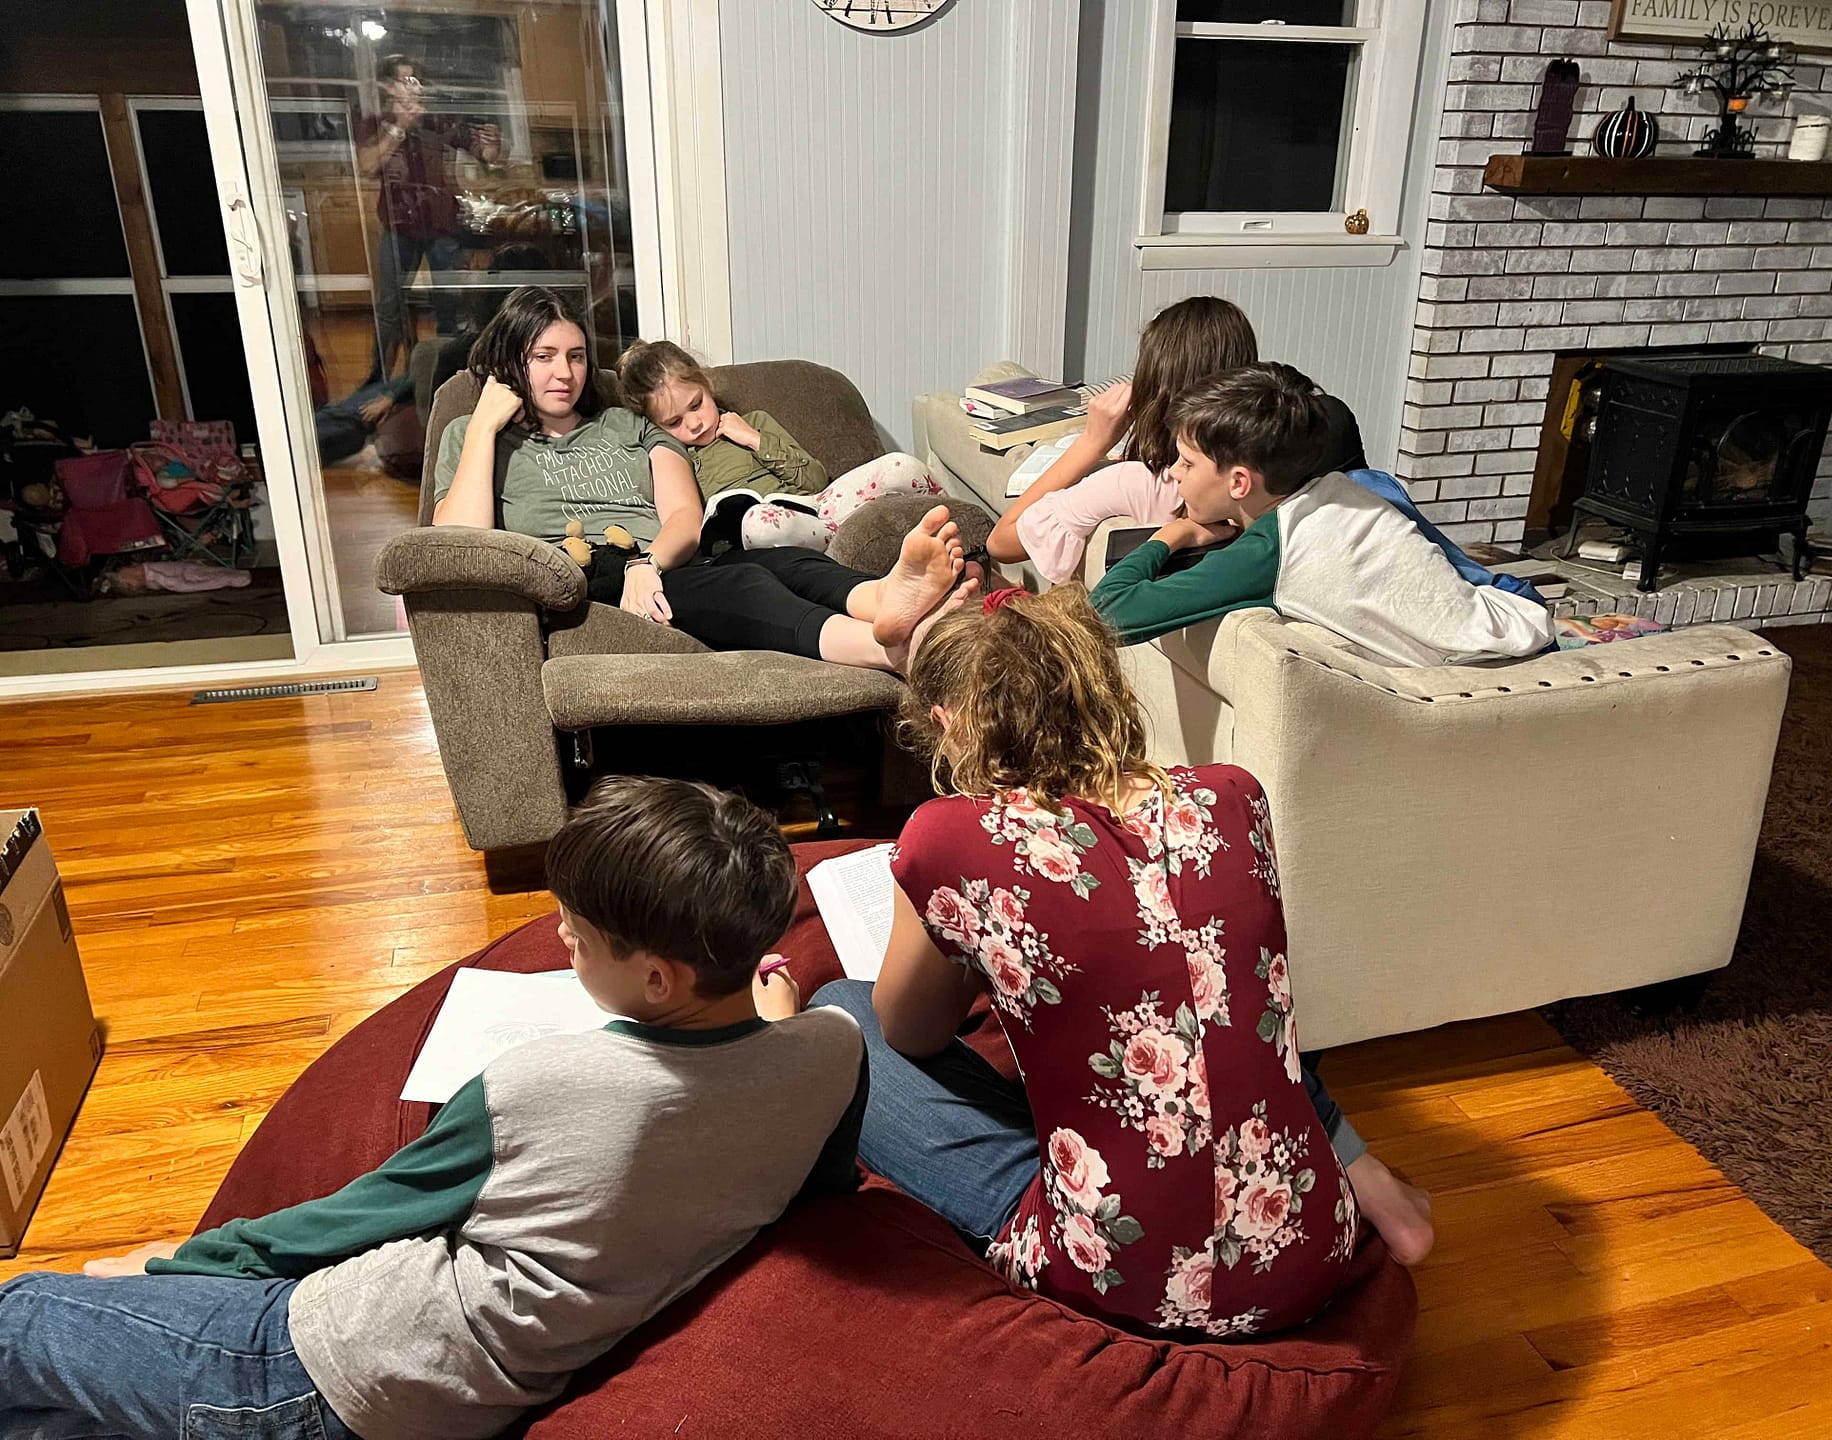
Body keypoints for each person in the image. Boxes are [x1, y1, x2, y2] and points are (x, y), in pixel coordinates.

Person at [0, 775, 868, 1440]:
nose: (558, 934)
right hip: (456, 1393)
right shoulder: (834, 1051)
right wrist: (774, 1025)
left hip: (324, 1371)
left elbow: (351, 1220)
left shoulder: (545, 1088)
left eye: (576, 928)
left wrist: (172, 1264)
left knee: (25, 1315)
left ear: (655, 977)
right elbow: (812, 1176)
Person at [755, 585, 1433, 1339]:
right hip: (1313, 1244)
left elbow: (910, 1033)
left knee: (844, 1014)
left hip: (1117, 1276)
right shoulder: (1233, 796)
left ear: (949, 723)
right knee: (1213, 999)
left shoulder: (949, 836)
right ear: (1103, 691)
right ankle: (1356, 1165)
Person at [433, 287, 974, 671]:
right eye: (543, 357)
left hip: (664, 561)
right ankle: (889, 651)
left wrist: (646, 563)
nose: (565, 373)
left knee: (787, 560)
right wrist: (484, 425)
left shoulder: (628, 424)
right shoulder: (473, 433)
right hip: (578, 571)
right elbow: (459, 545)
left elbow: (685, 517)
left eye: (575, 356)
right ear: (512, 362)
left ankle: (883, 600)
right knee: (745, 586)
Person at [1090, 363, 1556, 665]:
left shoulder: (1269, 552)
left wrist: (1171, 535)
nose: (1173, 473)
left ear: (1239, 483)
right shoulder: (1336, 489)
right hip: (1516, 620)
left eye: (1187, 463)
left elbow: (1105, 613)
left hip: (1494, 669)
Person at [985, 296, 1368, 587]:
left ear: (1153, 386)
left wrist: (1091, 443)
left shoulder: (1136, 483)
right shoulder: (1273, 482)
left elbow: (1001, 543)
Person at [621, 339, 943, 552]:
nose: (694, 424)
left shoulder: (755, 421)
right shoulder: (678, 460)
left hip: (818, 505)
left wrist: (752, 439)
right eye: (674, 422)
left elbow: (816, 480)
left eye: (696, 404)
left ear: (706, 385)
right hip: (767, 530)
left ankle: (953, 528)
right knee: (761, 525)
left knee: (902, 465)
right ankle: (841, 539)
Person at [355, 54, 503, 381]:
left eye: (416, 82)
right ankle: (378, 381)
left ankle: (450, 377)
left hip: (441, 226)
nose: (413, 89)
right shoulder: (374, 120)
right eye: (404, 81)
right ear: (388, 88)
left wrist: (492, 146)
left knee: (449, 306)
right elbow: (367, 166)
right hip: (398, 226)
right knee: (390, 310)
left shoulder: (439, 120)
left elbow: (485, 158)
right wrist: (398, 128)